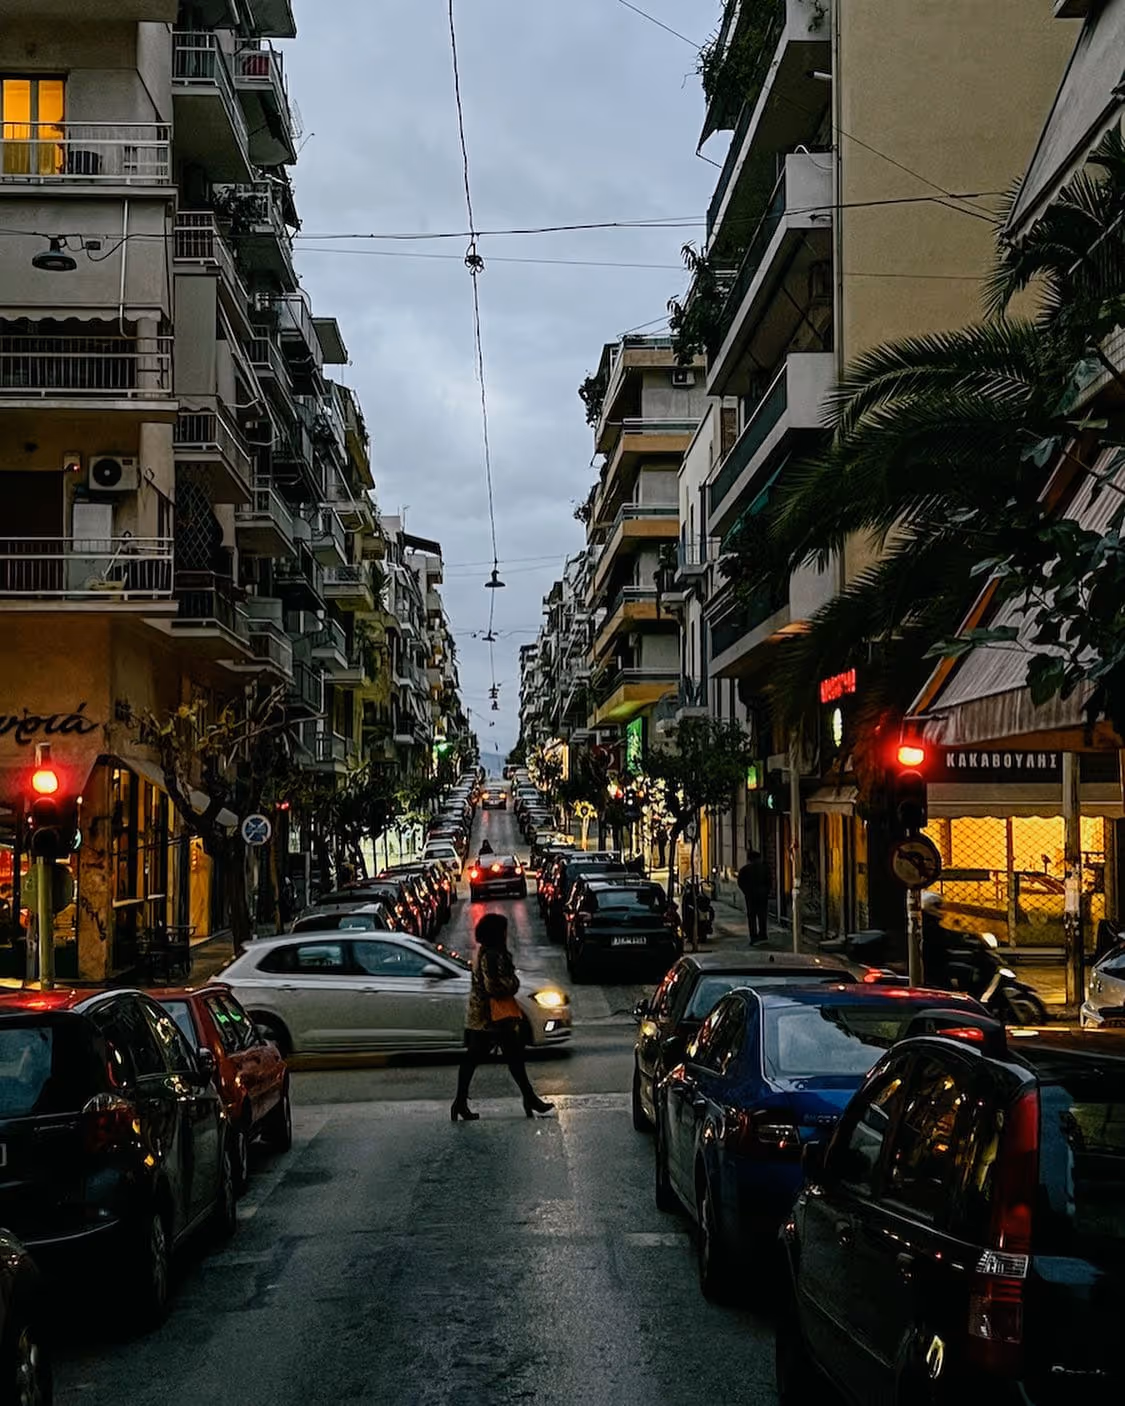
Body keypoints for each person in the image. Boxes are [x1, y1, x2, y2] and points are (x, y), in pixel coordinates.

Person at [451, 913, 554, 1122]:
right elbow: (493, 986)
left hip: (487, 1017)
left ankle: (527, 1098)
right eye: (505, 930)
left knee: (502, 1058)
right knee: (488, 1059)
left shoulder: (487, 952)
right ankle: (528, 1099)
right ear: (497, 933)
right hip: (490, 1019)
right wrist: (513, 983)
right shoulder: (491, 955)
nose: (508, 933)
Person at [737, 850, 771, 945]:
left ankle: (753, 936)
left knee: (752, 917)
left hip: (750, 896)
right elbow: (769, 881)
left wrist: (746, 892)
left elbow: (740, 882)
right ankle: (763, 934)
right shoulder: (764, 869)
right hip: (762, 896)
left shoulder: (744, 870)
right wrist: (766, 891)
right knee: (762, 915)